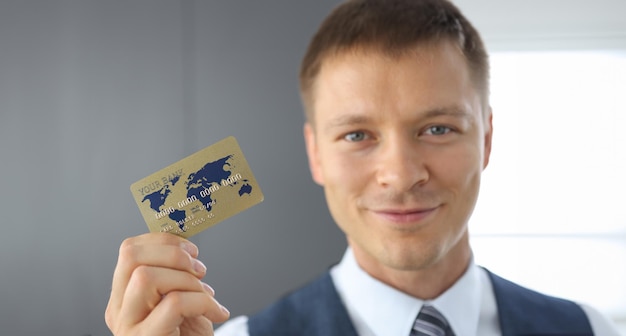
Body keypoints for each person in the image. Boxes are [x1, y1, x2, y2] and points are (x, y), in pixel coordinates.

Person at [105, 0, 621, 335]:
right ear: (316, 154)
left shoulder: (590, 329)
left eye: (438, 128)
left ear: (486, 139)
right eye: (357, 135)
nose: (400, 175)